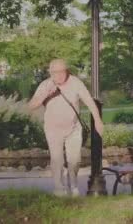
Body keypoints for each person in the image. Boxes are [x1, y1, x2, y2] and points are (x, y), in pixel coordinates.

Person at [28, 59, 104, 197]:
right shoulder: (45, 85)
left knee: (74, 160)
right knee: (57, 160)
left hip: (73, 129)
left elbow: (89, 101)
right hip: (53, 130)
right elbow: (31, 105)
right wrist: (46, 94)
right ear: (50, 73)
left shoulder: (75, 82)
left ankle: (73, 185)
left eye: (62, 72)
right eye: (55, 73)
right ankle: (59, 189)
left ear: (66, 70)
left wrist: (98, 121)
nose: (59, 75)